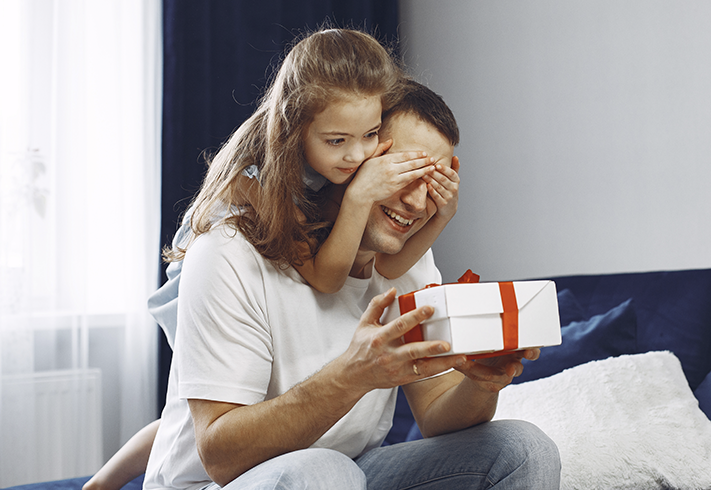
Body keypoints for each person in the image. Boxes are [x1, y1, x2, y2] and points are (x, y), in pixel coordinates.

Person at [140, 70, 560, 489]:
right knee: (326, 470)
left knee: (522, 449)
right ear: (348, 161)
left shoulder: (406, 260)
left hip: (346, 474)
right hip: (219, 483)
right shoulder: (228, 252)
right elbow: (219, 455)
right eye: (401, 174)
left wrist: (483, 381)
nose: (416, 203)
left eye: (432, 184)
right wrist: (352, 375)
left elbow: (435, 411)